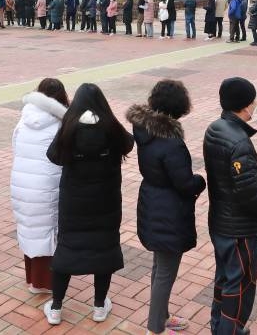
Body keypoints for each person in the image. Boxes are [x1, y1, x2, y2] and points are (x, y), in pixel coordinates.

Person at [42, 83, 134, 326]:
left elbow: (53, 156)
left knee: (67, 250)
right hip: (106, 202)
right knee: (104, 251)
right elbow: (129, 143)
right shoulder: (111, 126)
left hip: (74, 204)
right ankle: (99, 307)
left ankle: (56, 308)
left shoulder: (69, 127)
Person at [127, 80, 205, 335]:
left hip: (152, 202)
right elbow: (184, 183)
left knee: (159, 266)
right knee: (165, 272)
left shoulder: (146, 131)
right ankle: (154, 328)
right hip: (169, 210)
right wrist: (201, 181)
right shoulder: (171, 141)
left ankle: (162, 316)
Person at [204, 77, 257, 334]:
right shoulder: (238, 142)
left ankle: (219, 326)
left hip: (221, 222)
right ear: (245, 105)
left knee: (225, 279)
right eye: (253, 101)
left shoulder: (215, 128)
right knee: (240, 286)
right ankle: (230, 330)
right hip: (239, 230)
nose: (255, 105)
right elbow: (249, 191)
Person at [11, 78, 69, 294]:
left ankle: (33, 279)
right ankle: (44, 283)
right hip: (47, 184)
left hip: (21, 182)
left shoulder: (24, 118)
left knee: (29, 228)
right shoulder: (61, 123)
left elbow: (16, 147)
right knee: (47, 232)